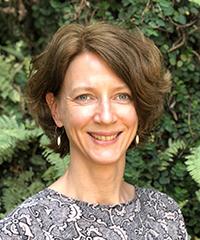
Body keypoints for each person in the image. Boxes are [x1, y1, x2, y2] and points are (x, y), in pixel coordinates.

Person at [0, 22, 189, 239]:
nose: (106, 117)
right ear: (56, 110)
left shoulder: (165, 215)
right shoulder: (21, 230)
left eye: (122, 96)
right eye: (84, 97)